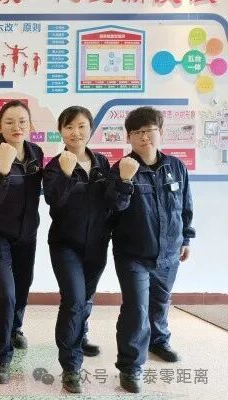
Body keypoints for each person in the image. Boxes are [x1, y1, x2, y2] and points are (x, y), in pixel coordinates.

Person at [105, 106, 195, 393]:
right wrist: (125, 181)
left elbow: (185, 206)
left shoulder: (176, 167)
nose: (144, 137)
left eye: (149, 130)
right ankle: (130, 366)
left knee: (160, 302)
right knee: (136, 308)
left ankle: (159, 341)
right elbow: (113, 209)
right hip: (133, 254)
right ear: (128, 137)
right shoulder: (121, 168)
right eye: (137, 132)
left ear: (161, 132)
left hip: (169, 252)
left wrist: (186, 239)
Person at [43, 106, 111, 393]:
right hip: (65, 245)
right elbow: (54, 201)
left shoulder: (102, 163)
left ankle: (80, 336)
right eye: (69, 127)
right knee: (73, 300)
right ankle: (71, 366)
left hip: (97, 244)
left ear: (90, 129)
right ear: (61, 131)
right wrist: (66, 174)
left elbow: (111, 201)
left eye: (82, 126)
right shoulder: (54, 166)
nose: (76, 132)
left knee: (86, 299)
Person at [0, 100, 43, 384]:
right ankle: (2, 356)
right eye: (9, 122)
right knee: (6, 293)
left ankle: (15, 328)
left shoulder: (36, 153)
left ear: (30, 125)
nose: (16, 127)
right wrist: (5, 167)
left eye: (22, 121)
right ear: (0, 126)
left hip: (27, 235)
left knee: (23, 287)